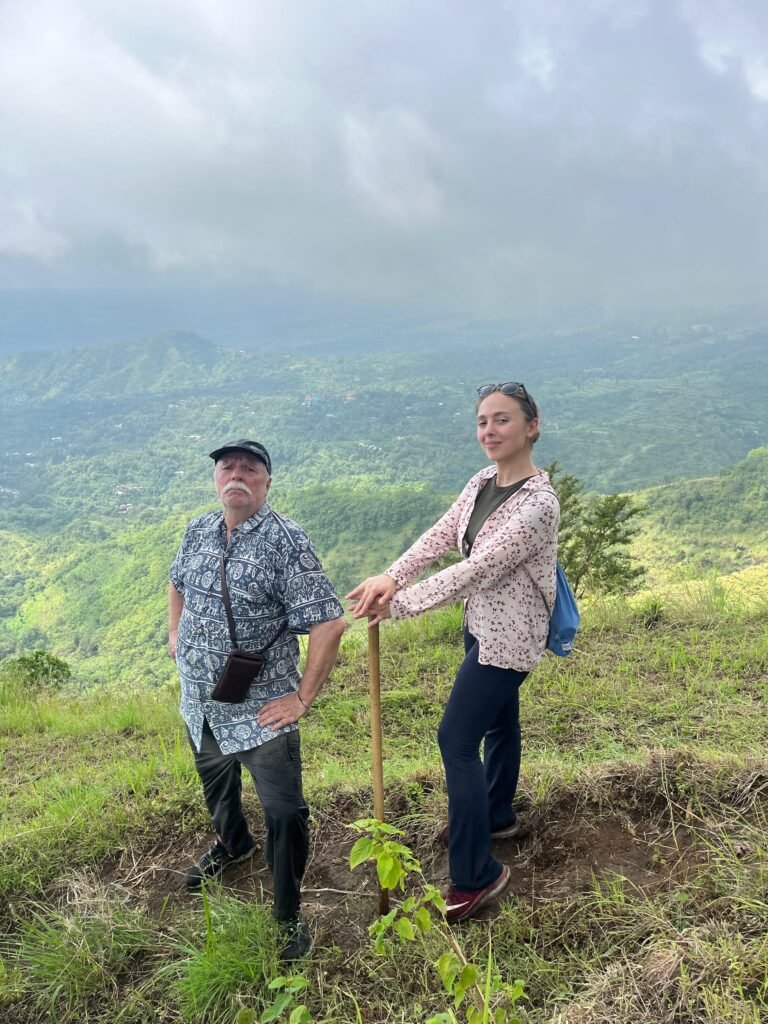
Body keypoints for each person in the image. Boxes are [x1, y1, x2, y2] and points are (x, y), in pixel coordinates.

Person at [347, 383, 559, 923]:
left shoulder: (538, 505)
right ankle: (495, 816)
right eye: (482, 421)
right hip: (482, 625)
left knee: (456, 740)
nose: (489, 431)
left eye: (503, 420)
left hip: (511, 639)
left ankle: (478, 874)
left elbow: (478, 567)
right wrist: (391, 576)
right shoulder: (483, 481)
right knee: (498, 725)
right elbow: (443, 534)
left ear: (532, 426)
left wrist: (402, 605)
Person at [169, 439, 345, 960]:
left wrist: (302, 697)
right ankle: (233, 845)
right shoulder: (198, 529)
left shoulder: (286, 542)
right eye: (228, 467)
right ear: (216, 478)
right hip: (200, 700)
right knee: (217, 787)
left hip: (263, 707)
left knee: (285, 813)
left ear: (267, 482)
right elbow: (176, 582)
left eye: (250, 468)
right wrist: (174, 631)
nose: (237, 475)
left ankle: (288, 916)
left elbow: (330, 622)